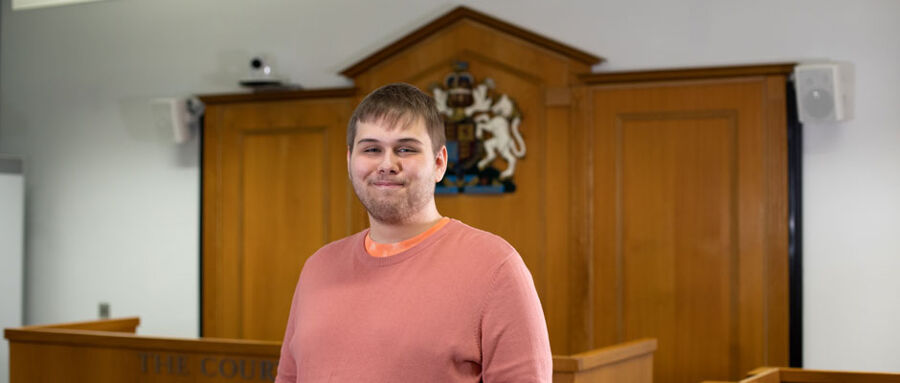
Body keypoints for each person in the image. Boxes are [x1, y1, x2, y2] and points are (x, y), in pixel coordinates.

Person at [275, 83, 552, 382]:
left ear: (439, 163)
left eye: (405, 149)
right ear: (350, 160)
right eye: (371, 149)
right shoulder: (318, 266)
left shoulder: (496, 268)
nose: (387, 164)